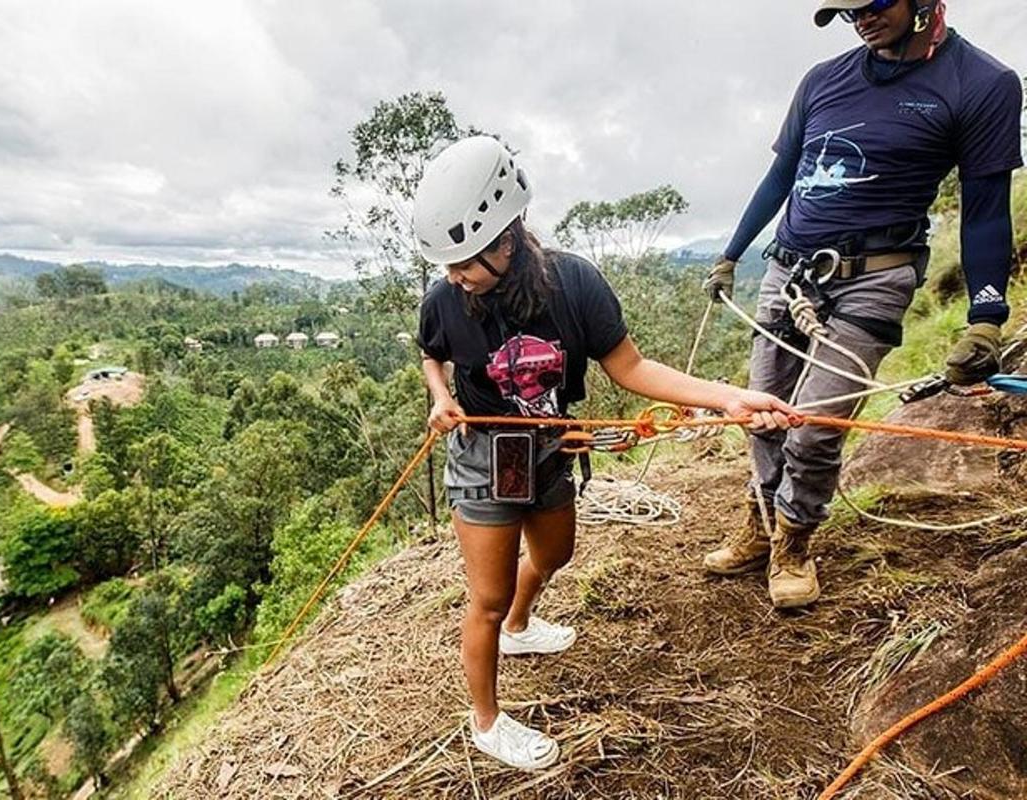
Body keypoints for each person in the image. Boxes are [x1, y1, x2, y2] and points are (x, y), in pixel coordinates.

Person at [414, 135, 797, 770]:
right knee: (487, 593)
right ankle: (487, 721)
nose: (454, 278)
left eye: (465, 263)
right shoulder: (445, 299)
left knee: (555, 555)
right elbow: (432, 352)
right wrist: (439, 394)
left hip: (550, 448)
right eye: (447, 265)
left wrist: (729, 397)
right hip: (487, 456)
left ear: (506, 240)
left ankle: (520, 626)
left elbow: (633, 367)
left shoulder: (575, 286)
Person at [703, 0, 1023, 609]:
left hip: (876, 275)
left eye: (873, 6)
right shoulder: (823, 80)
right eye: (846, 13)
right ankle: (763, 520)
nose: (861, 21)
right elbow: (781, 177)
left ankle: (794, 541)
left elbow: (985, 211)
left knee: (817, 426)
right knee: (761, 411)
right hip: (788, 270)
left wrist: (986, 316)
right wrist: (730, 253)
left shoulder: (981, 84)